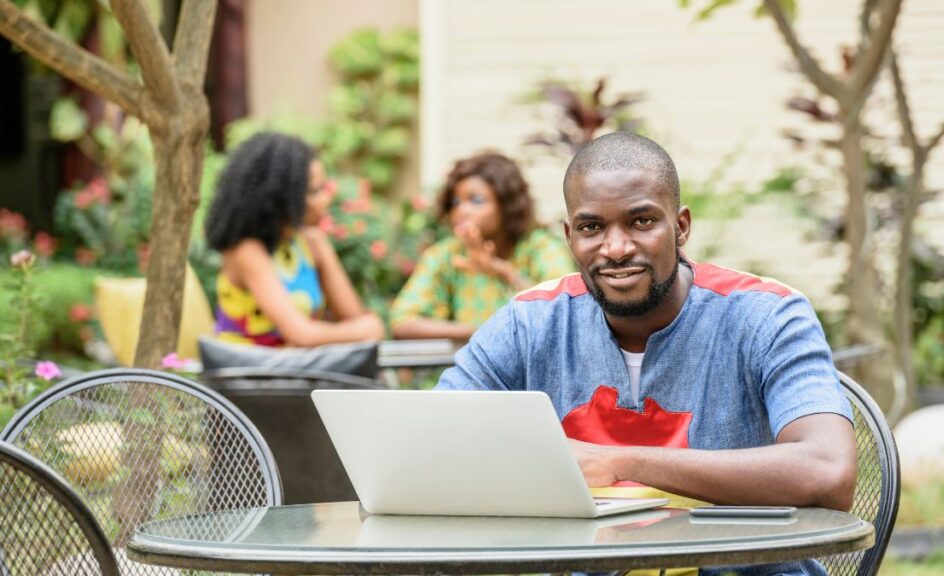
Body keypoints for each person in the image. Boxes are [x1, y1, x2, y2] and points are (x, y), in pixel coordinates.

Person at [436, 132, 856, 576]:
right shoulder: (531, 322)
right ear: (569, 236)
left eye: (640, 221)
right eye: (591, 227)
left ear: (681, 227)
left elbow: (828, 472)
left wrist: (617, 461)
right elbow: (432, 441)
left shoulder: (766, 315)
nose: (615, 248)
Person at [205, 132, 384, 347]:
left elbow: (354, 317)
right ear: (281, 198)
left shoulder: (312, 243)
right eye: (315, 191)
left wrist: (360, 328)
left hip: (299, 373)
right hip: (249, 375)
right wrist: (361, 330)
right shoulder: (246, 251)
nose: (326, 198)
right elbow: (302, 334)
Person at [389, 152, 576, 341]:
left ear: (507, 205)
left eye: (476, 200)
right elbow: (402, 322)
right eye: (455, 202)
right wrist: (485, 332)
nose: (461, 211)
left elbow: (564, 311)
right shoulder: (446, 254)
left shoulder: (541, 248)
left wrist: (503, 271)